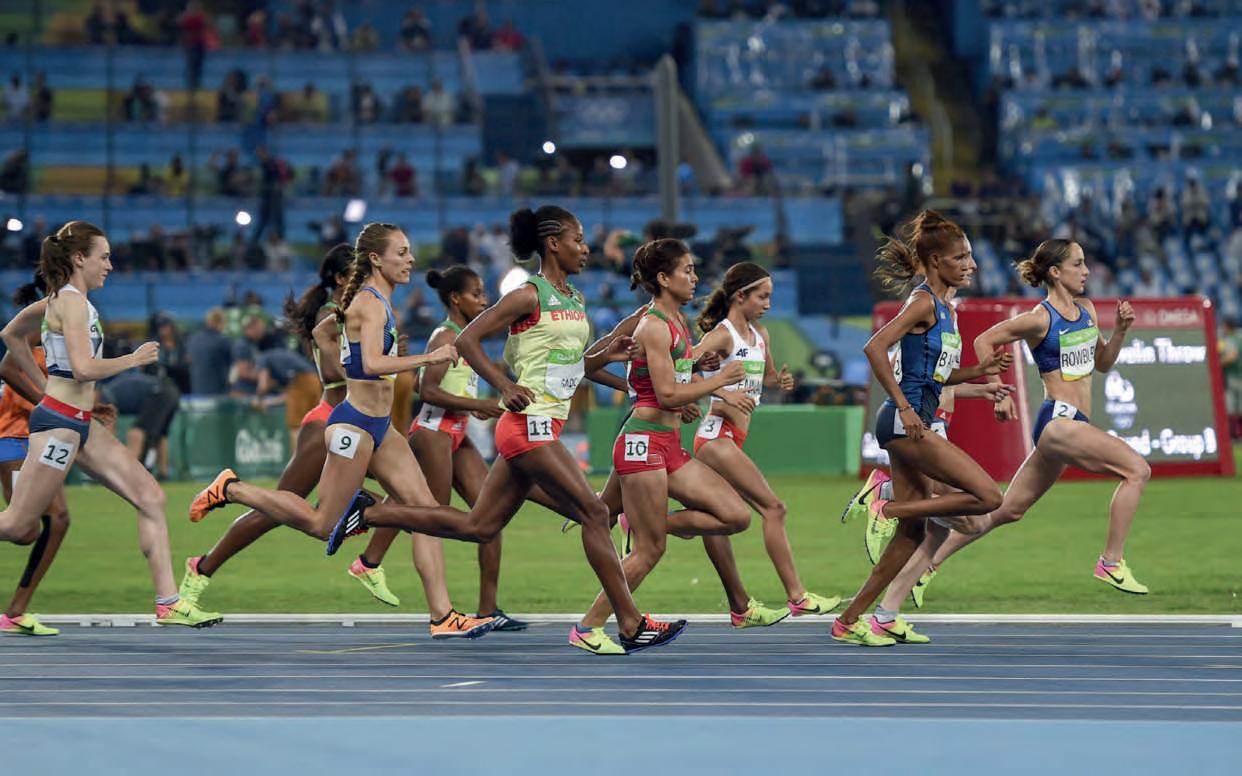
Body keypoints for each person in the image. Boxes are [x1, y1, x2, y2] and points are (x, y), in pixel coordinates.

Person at [328, 205, 689, 653]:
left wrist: (605, 357)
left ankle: (370, 513)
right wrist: (503, 385)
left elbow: (567, 369)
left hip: (542, 424)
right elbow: (467, 340)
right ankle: (628, 624)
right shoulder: (528, 294)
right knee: (596, 514)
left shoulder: (575, 299)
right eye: (577, 239)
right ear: (553, 243)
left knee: (480, 526)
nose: (586, 248)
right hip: (526, 424)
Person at [187, 228, 495, 639]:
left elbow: (321, 336)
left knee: (424, 514)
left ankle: (443, 616)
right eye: (402, 252)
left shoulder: (369, 301)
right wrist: (428, 357)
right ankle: (232, 488)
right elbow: (371, 365)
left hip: (381, 428)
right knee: (321, 523)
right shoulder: (371, 303)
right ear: (376, 259)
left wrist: (343, 355)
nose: (411, 260)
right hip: (353, 426)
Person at [891, 239, 1150, 610]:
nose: (1086, 271)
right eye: (1078, 264)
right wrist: (998, 390)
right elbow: (985, 340)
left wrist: (1121, 331)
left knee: (1006, 511)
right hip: (1057, 421)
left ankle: (927, 567)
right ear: (1055, 272)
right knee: (1137, 470)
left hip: (1072, 423)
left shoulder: (1088, 311)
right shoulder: (1040, 318)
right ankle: (1111, 562)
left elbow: (1104, 363)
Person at [0, 221, 219, 627]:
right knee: (17, 525)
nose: (110, 266)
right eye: (103, 257)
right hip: (60, 425)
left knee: (150, 496)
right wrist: (133, 360)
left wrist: (45, 387)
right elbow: (83, 368)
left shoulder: (60, 301)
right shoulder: (71, 304)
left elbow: (11, 335)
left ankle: (169, 603)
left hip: (77, 421)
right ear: (79, 258)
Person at [836, 211, 1009, 646]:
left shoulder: (947, 309)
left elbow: (937, 376)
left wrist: (979, 371)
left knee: (912, 536)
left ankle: (850, 621)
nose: (972, 264)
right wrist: (903, 406)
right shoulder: (923, 302)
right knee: (989, 497)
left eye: (970, 256)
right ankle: (887, 506)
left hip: (913, 421)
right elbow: (874, 347)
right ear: (936, 260)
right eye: (961, 257)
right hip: (905, 423)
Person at [352, 266, 528, 630]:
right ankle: (368, 547)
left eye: (484, 292)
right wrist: (477, 405)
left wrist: (470, 406)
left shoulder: (468, 336)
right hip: (433, 433)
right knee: (431, 515)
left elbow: (441, 383)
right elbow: (427, 390)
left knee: (491, 518)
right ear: (455, 299)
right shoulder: (444, 336)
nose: (484, 300)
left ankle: (488, 609)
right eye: (477, 294)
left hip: (457, 434)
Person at [693, 261, 843, 621]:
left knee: (716, 520)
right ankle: (797, 596)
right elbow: (680, 370)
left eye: (770, 297)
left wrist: (781, 381)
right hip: (715, 435)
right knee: (774, 509)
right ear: (740, 296)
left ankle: (739, 608)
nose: (768, 304)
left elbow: (768, 377)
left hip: (733, 437)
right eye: (762, 296)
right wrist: (724, 394)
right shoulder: (722, 335)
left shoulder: (761, 335)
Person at [0, 276, 104, 635]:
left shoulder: (70, 322)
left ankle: (15, 612)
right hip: (15, 436)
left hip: (42, 435)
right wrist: (49, 402)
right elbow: (7, 368)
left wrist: (90, 407)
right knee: (24, 530)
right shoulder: (43, 322)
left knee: (57, 520)